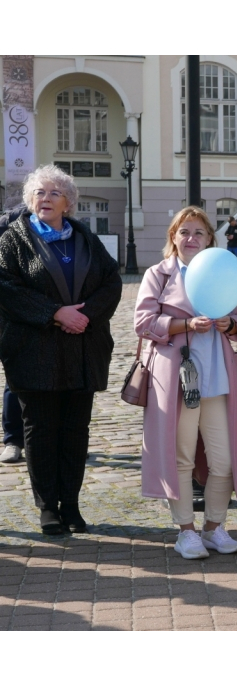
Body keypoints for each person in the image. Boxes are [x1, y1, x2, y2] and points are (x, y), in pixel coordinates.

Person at [0, 164, 121, 535]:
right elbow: (6, 289)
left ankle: (71, 504)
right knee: (40, 430)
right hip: (34, 350)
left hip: (83, 349)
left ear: (68, 202)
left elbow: (112, 281)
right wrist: (55, 314)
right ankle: (47, 507)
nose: (46, 198)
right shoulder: (12, 239)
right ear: (29, 200)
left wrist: (84, 318)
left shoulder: (85, 237)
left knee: (75, 431)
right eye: (39, 192)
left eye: (54, 193)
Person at [135, 206, 237, 559]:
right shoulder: (159, 274)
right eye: (184, 232)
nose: (191, 239)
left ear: (209, 239)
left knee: (224, 461)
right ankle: (186, 531)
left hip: (217, 379)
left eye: (198, 233)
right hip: (178, 382)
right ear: (173, 237)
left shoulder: (221, 273)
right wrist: (185, 325)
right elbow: (143, 321)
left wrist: (228, 323)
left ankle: (214, 527)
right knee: (180, 457)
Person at [0, 204, 29, 465]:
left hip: (49, 318)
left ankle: (59, 441)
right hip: (12, 318)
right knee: (14, 381)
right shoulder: (11, 223)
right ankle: (13, 440)